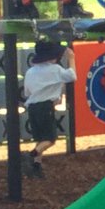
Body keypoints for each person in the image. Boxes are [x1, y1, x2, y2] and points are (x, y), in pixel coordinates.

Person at [21, 39, 75, 177]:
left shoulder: (31, 71)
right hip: (45, 107)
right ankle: (30, 155)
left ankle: (36, 166)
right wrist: (71, 58)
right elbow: (72, 76)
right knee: (50, 139)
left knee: (40, 137)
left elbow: (27, 92)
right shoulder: (55, 69)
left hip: (32, 107)